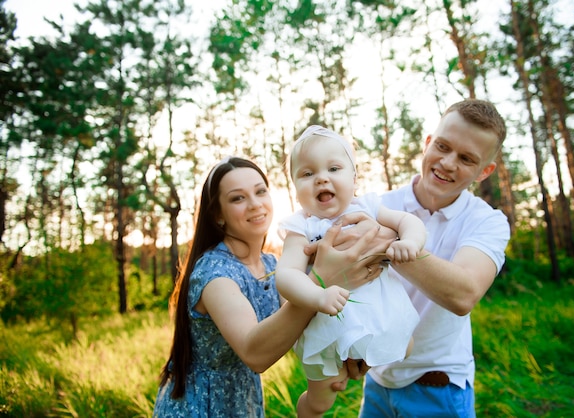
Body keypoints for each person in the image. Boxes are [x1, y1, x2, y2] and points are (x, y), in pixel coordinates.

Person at [152, 156, 380, 418]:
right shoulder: (214, 272)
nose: (255, 204)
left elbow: (300, 327)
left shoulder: (272, 264)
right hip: (198, 407)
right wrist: (320, 281)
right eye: (238, 198)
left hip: (243, 404)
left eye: (261, 191)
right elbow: (255, 352)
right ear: (217, 215)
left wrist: (347, 353)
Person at [348, 98, 511, 417]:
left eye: (466, 158)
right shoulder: (380, 205)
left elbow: (463, 293)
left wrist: (387, 241)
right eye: (443, 146)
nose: (448, 163)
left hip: (439, 389)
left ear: (484, 171)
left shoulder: (487, 221)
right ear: (427, 143)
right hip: (377, 380)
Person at [275, 126, 427, 418]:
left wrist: (410, 242)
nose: (321, 177)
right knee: (321, 401)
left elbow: (410, 221)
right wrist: (318, 295)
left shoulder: (368, 207)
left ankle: (358, 359)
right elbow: (287, 276)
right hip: (325, 322)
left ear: (354, 178)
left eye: (334, 168)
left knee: (406, 346)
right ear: (294, 188)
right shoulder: (301, 227)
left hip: (379, 313)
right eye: (307, 174)